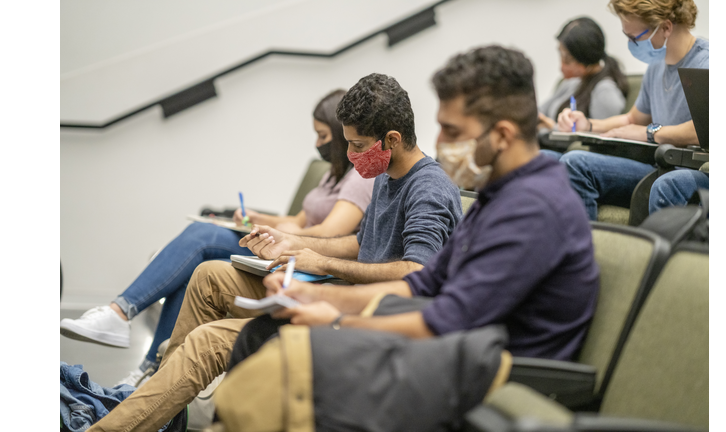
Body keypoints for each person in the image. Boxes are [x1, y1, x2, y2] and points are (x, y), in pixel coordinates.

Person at [223, 45, 599, 406]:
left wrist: (338, 320)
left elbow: (445, 320)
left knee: (280, 352)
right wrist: (318, 296)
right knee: (265, 335)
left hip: (490, 377)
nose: (439, 142)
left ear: (502, 135)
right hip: (451, 352)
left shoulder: (533, 208)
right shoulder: (499, 195)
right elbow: (424, 284)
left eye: (452, 132)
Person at [86, 73, 463, 432]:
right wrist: (296, 243)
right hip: (345, 296)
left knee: (208, 342)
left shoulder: (427, 188)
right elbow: (361, 244)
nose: (349, 155)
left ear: (392, 139)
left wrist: (322, 263)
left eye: (357, 146)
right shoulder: (385, 176)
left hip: (365, 321)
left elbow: (416, 270)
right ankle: (164, 412)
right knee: (209, 276)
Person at [60, 89, 375, 386]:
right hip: (284, 243)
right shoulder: (330, 175)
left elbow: (326, 233)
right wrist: (257, 218)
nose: (318, 144)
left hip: (299, 260)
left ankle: (119, 313)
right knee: (195, 263)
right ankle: (148, 369)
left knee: (201, 236)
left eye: (323, 136)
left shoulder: (358, 178)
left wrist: (279, 235)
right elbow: (298, 220)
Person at [556, 0, 708, 219]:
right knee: (558, 160)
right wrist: (588, 125)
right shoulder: (656, 67)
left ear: (666, 27)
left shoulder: (707, 63)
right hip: (660, 165)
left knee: (575, 163)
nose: (632, 44)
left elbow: (704, 130)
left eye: (634, 38)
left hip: (689, 171)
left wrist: (650, 133)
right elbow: (632, 118)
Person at [538, 16, 628, 132]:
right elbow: (540, 111)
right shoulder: (572, 82)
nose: (561, 67)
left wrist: (551, 127)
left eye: (567, 60)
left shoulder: (605, 92)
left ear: (586, 60)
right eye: (561, 55)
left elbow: (598, 140)